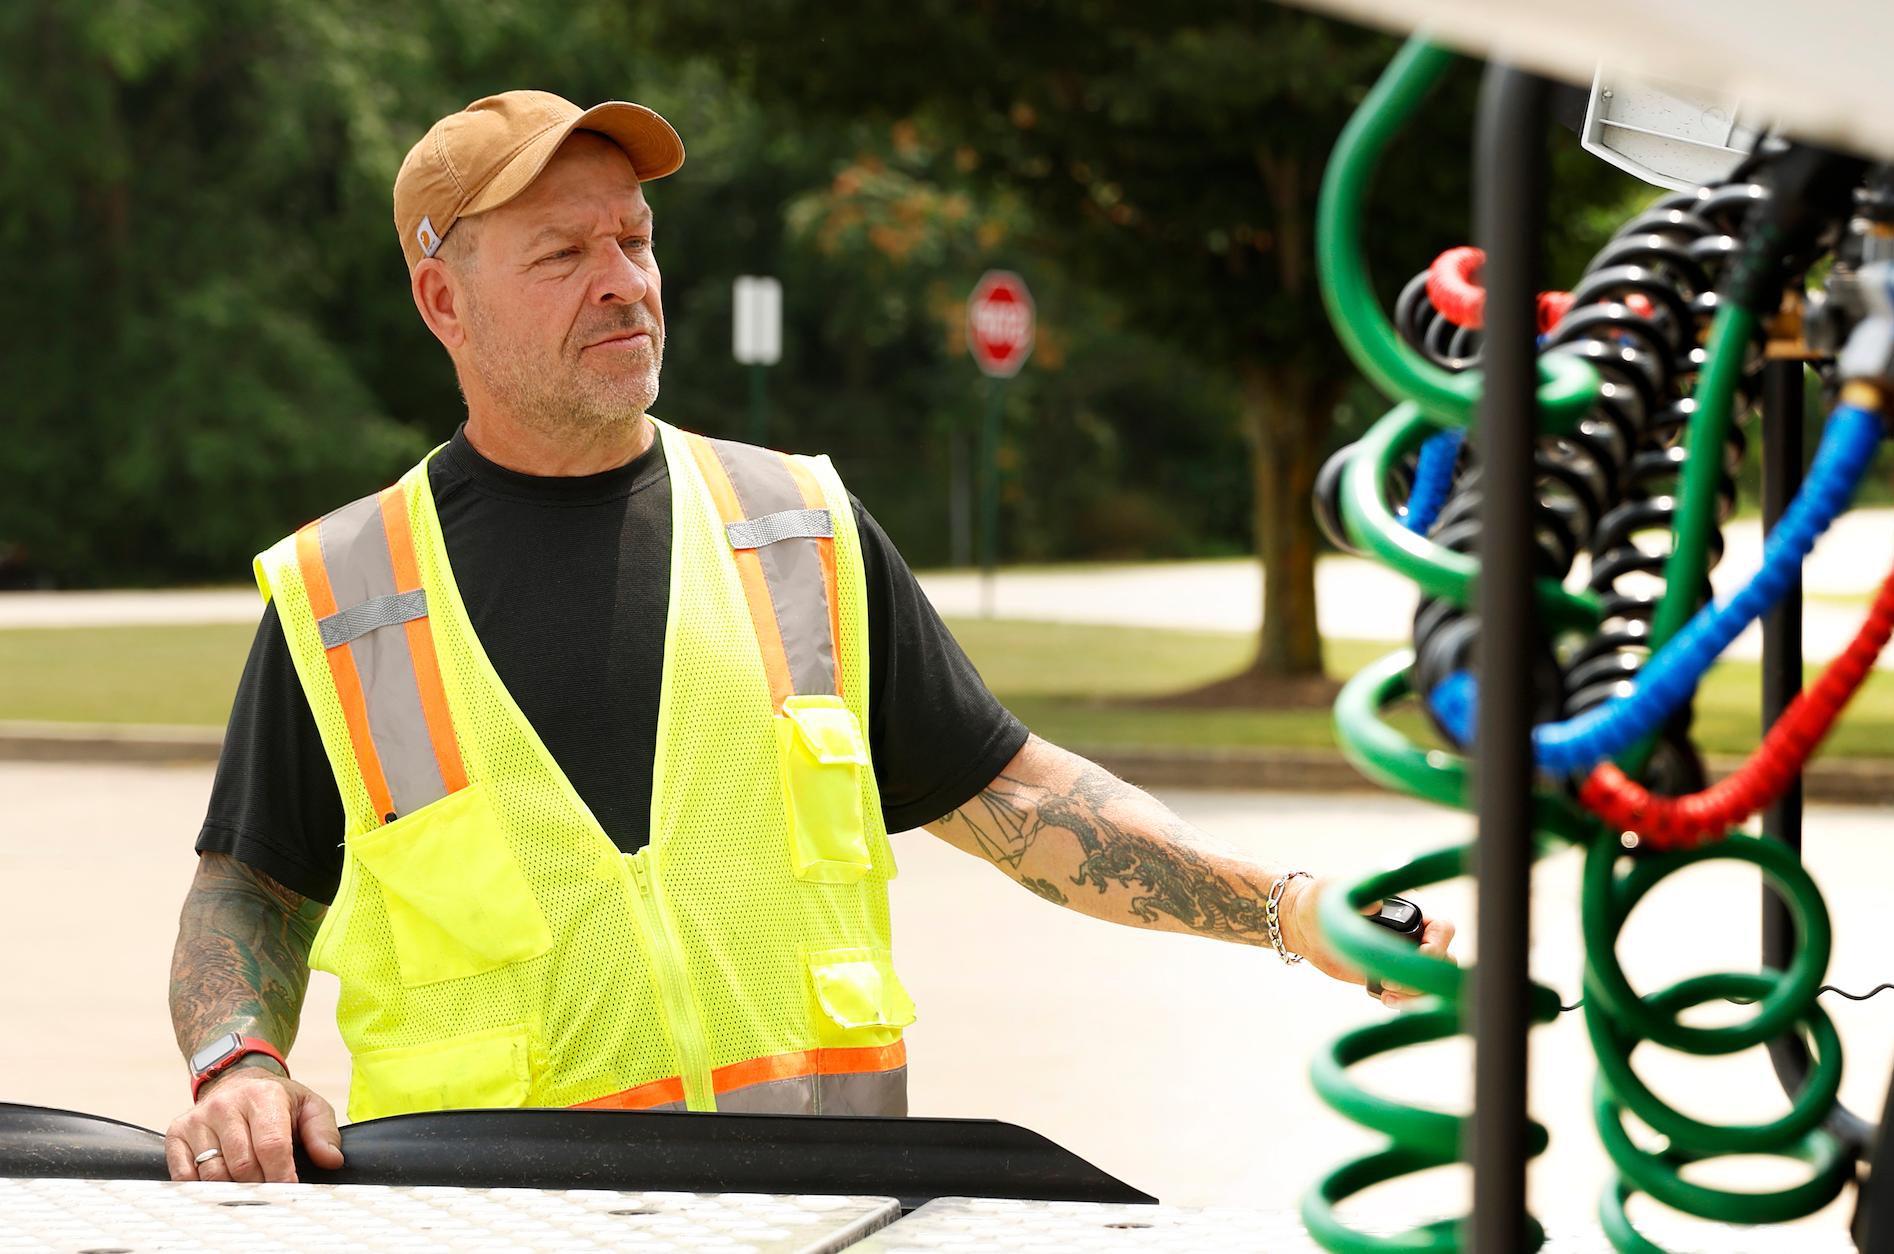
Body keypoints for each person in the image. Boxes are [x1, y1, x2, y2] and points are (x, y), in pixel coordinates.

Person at [161, 90, 1449, 1185]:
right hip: (492, 1227)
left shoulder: (796, 528)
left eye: (635, 239)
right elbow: (248, 887)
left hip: (816, 1215)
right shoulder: (348, 595)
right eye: (563, 255)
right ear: (444, 300)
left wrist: (1291, 911)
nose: (623, 282)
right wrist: (239, 1063)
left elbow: (1012, 797)